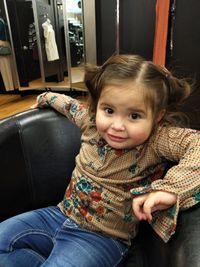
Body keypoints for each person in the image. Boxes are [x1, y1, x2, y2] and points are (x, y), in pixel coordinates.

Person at [0, 54, 200, 267]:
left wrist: (170, 189)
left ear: (157, 116)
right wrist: (44, 97)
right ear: (98, 106)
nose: (117, 126)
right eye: (109, 110)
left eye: (134, 116)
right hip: (57, 215)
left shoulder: (157, 140)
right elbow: (68, 104)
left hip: (101, 238)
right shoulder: (91, 122)